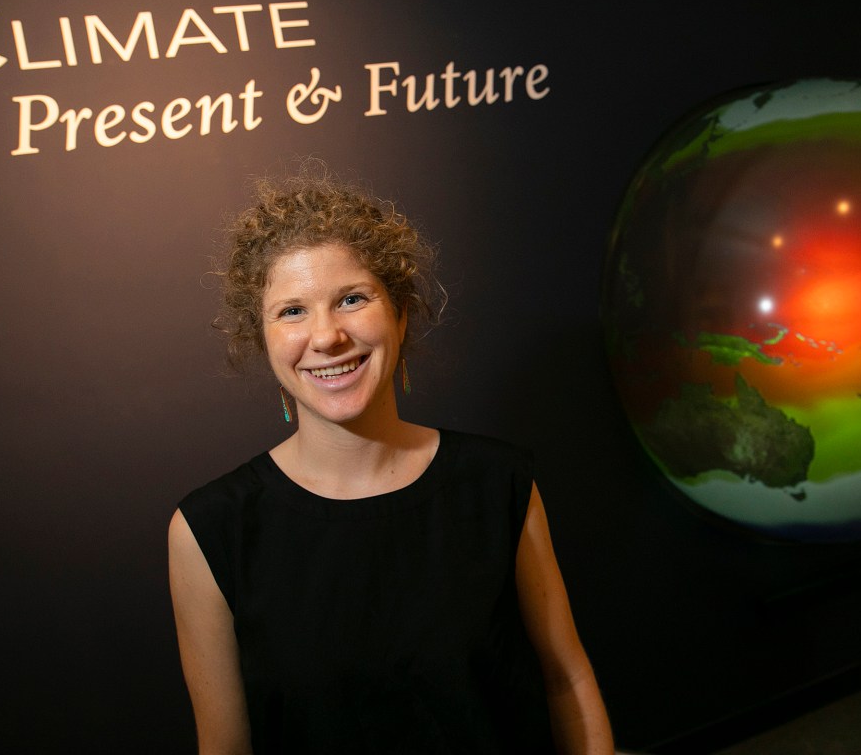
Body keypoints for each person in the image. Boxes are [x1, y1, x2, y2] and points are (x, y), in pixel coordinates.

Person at [168, 166, 614, 754]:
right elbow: (224, 746)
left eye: (352, 299)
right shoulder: (210, 530)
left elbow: (567, 679)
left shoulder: (498, 482)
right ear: (263, 339)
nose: (326, 336)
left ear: (400, 316)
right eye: (292, 311)